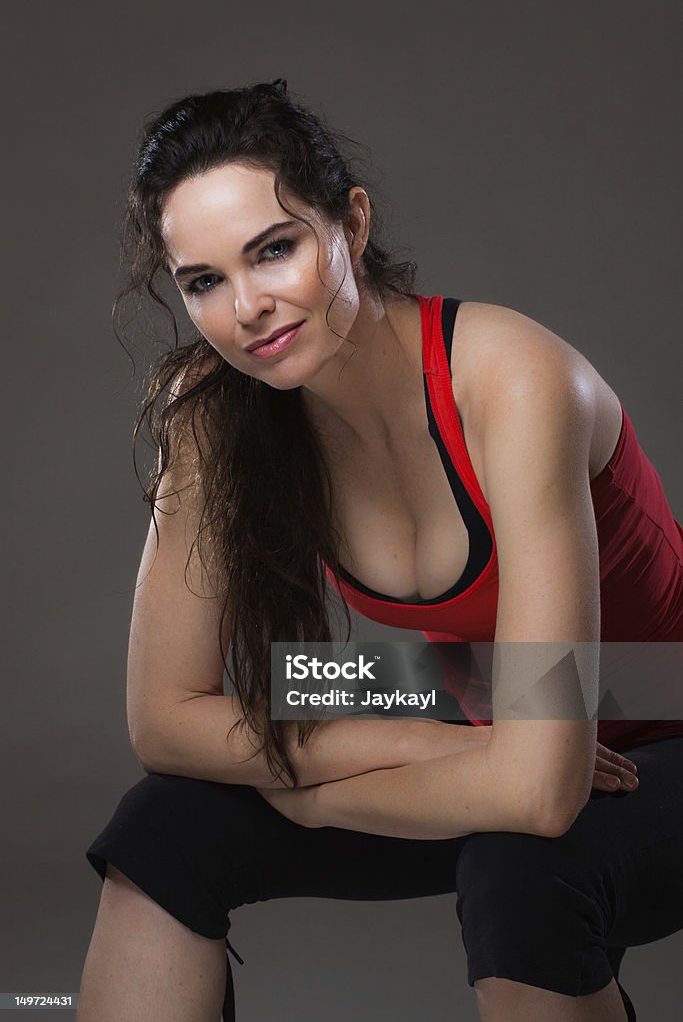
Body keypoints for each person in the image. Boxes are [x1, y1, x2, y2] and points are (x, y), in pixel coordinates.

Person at [76, 79, 683, 1022]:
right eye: (204, 281)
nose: (248, 308)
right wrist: (411, 738)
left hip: (656, 698)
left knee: (520, 869)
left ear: (349, 226)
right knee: (165, 825)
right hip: (469, 689)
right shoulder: (215, 414)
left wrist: (312, 796)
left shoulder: (511, 378)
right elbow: (164, 720)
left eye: (273, 250)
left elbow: (539, 788)